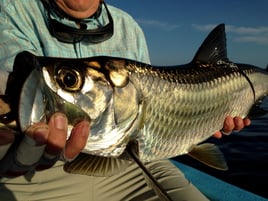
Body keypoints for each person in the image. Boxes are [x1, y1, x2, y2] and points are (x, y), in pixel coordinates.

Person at [0, 0, 251, 200]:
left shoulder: (127, 25)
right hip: (35, 172)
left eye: (69, 80)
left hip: (132, 161)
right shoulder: (11, 9)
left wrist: (213, 116)